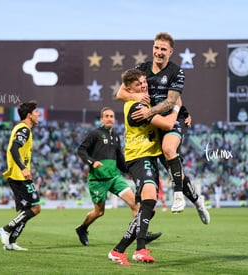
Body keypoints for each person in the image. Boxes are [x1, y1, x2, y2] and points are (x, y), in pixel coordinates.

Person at [116, 33, 210, 224]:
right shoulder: (141, 68)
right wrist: (135, 98)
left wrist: (149, 112)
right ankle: (198, 201)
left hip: (173, 117)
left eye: (163, 49)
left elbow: (171, 102)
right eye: (156, 48)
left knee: (169, 149)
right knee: (174, 170)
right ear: (153, 47)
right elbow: (121, 92)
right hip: (155, 124)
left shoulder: (177, 72)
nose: (159, 52)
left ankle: (178, 195)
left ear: (171, 52)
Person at [108, 68, 181, 265]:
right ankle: (140, 249)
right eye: (138, 84)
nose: (144, 85)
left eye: (144, 81)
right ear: (130, 89)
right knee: (149, 198)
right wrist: (176, 108)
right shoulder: (136, 107)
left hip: (148, 157)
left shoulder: (144, 100)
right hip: (139, 157)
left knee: (148, 208)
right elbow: (166, 125)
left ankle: (119, 250)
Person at [75, 107, 161, 246]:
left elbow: (120, 159)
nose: (109, 118)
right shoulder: (95, 134)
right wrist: (92, 162)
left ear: (114, 119)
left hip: (114, 177)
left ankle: (142, 233)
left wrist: (131, 171)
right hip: (98, 179)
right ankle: (82, 228)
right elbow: (81, 150)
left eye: (111, 116)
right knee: (99, 212)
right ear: (102, 119)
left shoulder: (115, 136)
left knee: (135, 204)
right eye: (106, 116)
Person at [0, 100, 42, 251]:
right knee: (35, 208)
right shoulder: (24, 129)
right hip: (18, 176)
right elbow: (14, 149)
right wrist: (23, 168)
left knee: (27, 209)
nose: (38, 114)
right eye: (36, 112)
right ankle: (6, 229)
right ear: (29, 115)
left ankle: (11, 242)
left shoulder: (22, 128)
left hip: (18, 175)